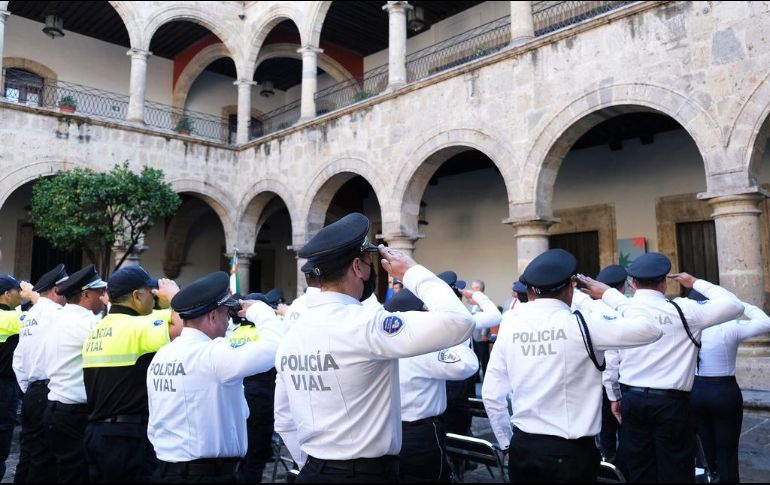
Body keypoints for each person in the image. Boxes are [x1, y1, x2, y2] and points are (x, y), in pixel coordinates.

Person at [273, 212, 475, 483]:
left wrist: (316, 466)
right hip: (366, 473)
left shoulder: (292, 333)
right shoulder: (366, 324)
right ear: (357, 267)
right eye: (369, 262)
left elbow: (284, 419)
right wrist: (411, 272)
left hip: (312, 471)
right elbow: (459, 321)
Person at [482, 249, 663, 483]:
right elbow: (650, 329)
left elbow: (491, 395)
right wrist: (608, 294)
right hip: (568, 451)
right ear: (570, 288)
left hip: (523, 445)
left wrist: (507, 444)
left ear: (529, 290)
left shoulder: (511, 325)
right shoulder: (584, 324)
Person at [603, 252, 743, 483]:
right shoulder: (686, 310)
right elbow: (734, 305)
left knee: (639, 469)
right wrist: (695, 282)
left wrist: (613, 396)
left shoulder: (622, 311)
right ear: (664, 283)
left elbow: (612, 358)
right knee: (676, 469)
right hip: (672, 403)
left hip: (633, 399)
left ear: (632, 283)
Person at [147, 271, 284, 482]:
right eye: (226, 315)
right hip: (206, 474)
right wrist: (261, 312)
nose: (229, 322)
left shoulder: (163, 355)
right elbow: (275, 347)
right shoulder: (211, 354)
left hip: (167, 469)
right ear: (212, 316)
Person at [82, 266, 182, 482]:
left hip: (96, 433)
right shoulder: (137, 326)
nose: (154, 297)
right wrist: (175, 296)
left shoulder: (97, 329)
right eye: (149, 291)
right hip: (126, 438)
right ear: (137, 295)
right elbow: (183, 326)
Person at [384, 289, 478, 482]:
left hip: (386, 431)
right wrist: (454, 334)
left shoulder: (382, 343)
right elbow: (466, 365)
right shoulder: (424, 347)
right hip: (420, 434)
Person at [689, 290, 770, 483]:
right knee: (727, 451)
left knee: (704, 452)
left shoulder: (687, 328)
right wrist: (740, 302)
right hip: (723, 391)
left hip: (695, 391)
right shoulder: (728, 326)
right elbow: (765, 322)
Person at [43, 264, 107, 482]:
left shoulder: (58, 317)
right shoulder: (87, 323)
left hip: (56, 406)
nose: (104, 296)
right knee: (78, 475)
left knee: (63, 472)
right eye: (100, 292)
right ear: (86, 294)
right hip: (74, 412)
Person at [12, 264, 68, 483]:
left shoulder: (29, 314)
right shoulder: (56, 313)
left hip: (32, 392)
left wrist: (29, 388)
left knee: (27, 453)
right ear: (56, 290)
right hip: (48, 392)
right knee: (44, 459)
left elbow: (18, 361)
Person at [572, 264, 628, 465]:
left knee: (605, 430)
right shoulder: (618, 312)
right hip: (614, 384)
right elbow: (612, 361)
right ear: (622, 288)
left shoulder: (589, 311)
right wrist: (615, 395)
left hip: (595, 382)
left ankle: (609, 462)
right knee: (620, 433)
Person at [228, 291, 280, 483]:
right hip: (262, 403)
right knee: (255, 460)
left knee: (239, 459)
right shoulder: (268, 335)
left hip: (237, 403)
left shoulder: (234, 334)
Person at [0, 274, 24, 481]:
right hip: (3, 387)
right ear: (7, 295)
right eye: (18, 291)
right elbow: (42, 322)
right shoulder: (11, 318)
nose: (22, 295)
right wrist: (36, 295)